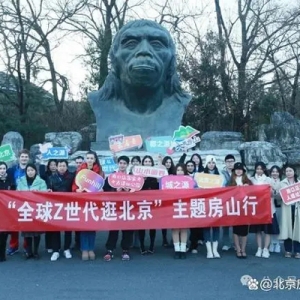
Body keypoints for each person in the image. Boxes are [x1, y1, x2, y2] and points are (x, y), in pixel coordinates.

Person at [72, 151, 104, 260]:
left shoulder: (99, 171)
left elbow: (101, 186)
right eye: (88, 158)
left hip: (94, 203)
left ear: (95, 159)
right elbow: (74, 185)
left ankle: (91, 248)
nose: (90, 160)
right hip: (83, 202)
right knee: (83, 226)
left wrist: (101, 190)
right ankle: (84, 249)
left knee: (92, 227)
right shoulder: (80, 171)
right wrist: (77, 190)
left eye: (92, 158)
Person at [103, 156, 134, 261]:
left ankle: (126, 250)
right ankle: (110, 250)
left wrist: (129, 190)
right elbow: (105, 189)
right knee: (113, 229)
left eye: (124, 163)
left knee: (127, 229)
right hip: (115, 207)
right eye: (120, 163)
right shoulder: (112, 176)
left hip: (128, 207)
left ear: (127, 165)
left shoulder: (132, 177)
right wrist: (115, 190)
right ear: (118, 164)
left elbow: (137, 191)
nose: (122, 165)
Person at [249, 162, 279, 259]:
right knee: (258, 230)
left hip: (268, 208)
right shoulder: (251, 180)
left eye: (261, 169)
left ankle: (266, 248)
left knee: (267, 230)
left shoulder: (269, 180)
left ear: (264, 169)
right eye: (257, 169)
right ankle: (259, 248)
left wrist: (271, 191)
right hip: (256, 208)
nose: (259, 171)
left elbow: (275, 193)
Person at [17, 164, 47, 259]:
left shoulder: (41, 182)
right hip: (25, 209)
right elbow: (17, 194)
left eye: (32, 170)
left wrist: (37, 193)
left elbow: (45, 194)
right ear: (26, 171)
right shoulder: (21, 181)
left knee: (36, 232)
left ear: (35, 171)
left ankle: (36, 251)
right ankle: (28, 251)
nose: (30, 172)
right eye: (28, 170)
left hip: (37, 209)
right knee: (27, 232)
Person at [47, 160, 75, 261]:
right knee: (55, 229)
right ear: (57, 167)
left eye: (64, 166)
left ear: (67, 167)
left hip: (68, 206)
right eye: (60, 166)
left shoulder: (72, 177)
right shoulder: (51, 178)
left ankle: (67, 248)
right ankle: (56, 250)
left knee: (68, 229)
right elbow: (48, 189)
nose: (62, 167)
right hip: (56, 206)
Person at [6, 149, 30, 255]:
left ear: (28, 158)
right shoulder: (11, 170)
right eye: (22, 156)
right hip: (14, 200)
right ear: (19, 158)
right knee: (13, 224)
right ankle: (13, 245)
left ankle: (26, 246)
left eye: (26, 156)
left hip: (27, 200)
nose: (24, 158)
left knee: (26, 224)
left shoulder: (31, 169)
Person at [229, 162, 252, 259]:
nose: (238, 171)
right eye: (237, 169)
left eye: (240, 169)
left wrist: (249, 188)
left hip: (245, 207)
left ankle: (243, 249)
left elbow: (255, 192)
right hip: (235, 207)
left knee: (244, 230)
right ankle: (238, 249)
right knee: (236, 230)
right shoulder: (231, 181)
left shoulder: (248, 181)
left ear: (243, 170)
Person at [278, 165, 300, 259]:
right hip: (287, 208)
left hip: (297, 207)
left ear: (294, 172)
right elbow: (278, 198)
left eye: (290, 170)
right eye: (287, 171)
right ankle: (287, 250)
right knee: (287, 229)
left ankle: (297, 251)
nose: (288, 173)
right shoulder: (282, 183)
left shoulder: (299, 183)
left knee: (297, 230)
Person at [139, 156, 159, 255]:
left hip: (152, 204)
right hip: (141, 203)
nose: (147, 163)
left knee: (152, 225)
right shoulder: (138, 175)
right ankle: (142, 246)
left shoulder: (156, 175)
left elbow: (158, 188)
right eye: (145, 161)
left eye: (149, 161)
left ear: (152, 163)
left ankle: (151, 245)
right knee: (141, 226)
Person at [203, 155, 221, 258]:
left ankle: (215, 249)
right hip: (205, 204)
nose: (211, 165)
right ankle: (209, 250)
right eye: (209, 163)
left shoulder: (220, 175)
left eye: (213, 163)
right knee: (206, 227)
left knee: (216, 227)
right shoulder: (201, 175)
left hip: (216, 203)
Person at [39, 159, 57, 253]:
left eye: (55, 164)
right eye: (51, 165)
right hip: (47, 203)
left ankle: (55, 245)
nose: (53, 166)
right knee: (48, 225)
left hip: (57, 203)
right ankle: (48, 245)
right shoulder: (45, 175)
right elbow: (41, 172)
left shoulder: (60, 175)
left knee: (56, 225)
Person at [172, 163, 189, 259]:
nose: (180, 172)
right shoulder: (170, 181)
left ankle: (183, 249)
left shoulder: (189, 180)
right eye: (178, 170)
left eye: (182, 170)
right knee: (175, 228)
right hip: (173, 206)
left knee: (183, 228)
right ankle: (176, 249)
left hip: (185, 206)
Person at [0, 162, 15, 262]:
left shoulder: (10, 181)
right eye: (0, 168)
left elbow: (14, 194)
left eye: (4, 168)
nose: (2, 170)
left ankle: (2, 255)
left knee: (4, 234)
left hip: (6, 212)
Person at [159, 155, 175, 247]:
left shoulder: (174, 172)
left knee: (174, 220)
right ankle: (164, 238)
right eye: (166, 162)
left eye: (170, 162)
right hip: (163, 199)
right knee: (164, 220)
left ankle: (174, 238)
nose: (168, 164)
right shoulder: (160, 172)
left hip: (173, 199)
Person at [221, 154, 235, 251]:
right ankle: (226, 243)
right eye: (228, 161)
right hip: (225, 200)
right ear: (225, 163)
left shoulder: (238, 171)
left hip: (236, 200)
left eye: (231, 161)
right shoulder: (221, 173)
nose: (230, 163)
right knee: (225, 223)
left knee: (236, 223)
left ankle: (236, 243)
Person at [269, 165, 282, 253]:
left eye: (276, 172)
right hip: (270, 205)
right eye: (273, 171)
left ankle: (277, 243)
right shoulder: (267, 181)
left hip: (281, 206)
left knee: (279, 225)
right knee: (271, 225)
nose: (275, 173)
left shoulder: (283, 182)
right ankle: (271, 242)